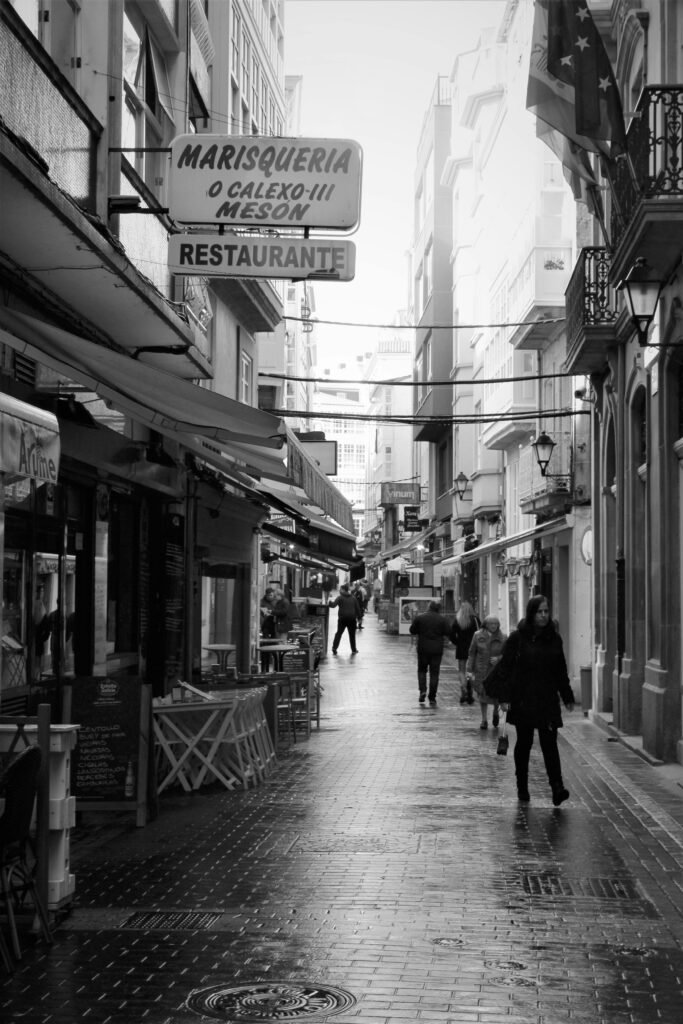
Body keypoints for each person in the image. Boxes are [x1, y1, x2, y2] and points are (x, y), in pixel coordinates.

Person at [497, 594, 575, 805]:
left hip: (547, 699)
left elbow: (560, 670)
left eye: (546, 611)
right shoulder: (518, 637)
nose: (543, 615)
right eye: (539, 611)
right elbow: (505, 669)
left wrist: (567, 696)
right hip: (523, 698)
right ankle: (522, 785)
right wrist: (504, 697)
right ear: (531, 613)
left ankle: (557, 788)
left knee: (550, 744)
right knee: (524, 743)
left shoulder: (554, 638)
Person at [466, 615, 507, 730]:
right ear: (486, 624)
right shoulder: (477, 635)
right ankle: (484, 720)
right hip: (481, 670)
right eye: (491, 624)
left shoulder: (503, 637)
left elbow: (507, 654)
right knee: (482, 695)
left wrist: (499, 658)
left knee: (495, 696)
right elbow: (472, 653)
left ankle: (495, 712)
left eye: (496, 624)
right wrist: (469, 670)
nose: (494, 626)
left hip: (496, 672)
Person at [409, 599, 450, 705]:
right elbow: (448, 632)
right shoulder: (442, 619)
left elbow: (412, 630)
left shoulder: (420, 618)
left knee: (422, 670)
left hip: (423, 648)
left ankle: (422, 690)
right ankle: (432, 696)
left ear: (429, 607)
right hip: (437, 650)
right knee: (434, 673)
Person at [450, 601, 480, 704]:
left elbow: (451, 634)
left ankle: (463, 688)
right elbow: (480, 633)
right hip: (473, 648)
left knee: (461, 670)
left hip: (461, 648)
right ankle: (470, 690)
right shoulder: (475, 619)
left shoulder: (458, 620)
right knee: (471, 671)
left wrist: (457, 642)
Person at [328, 584, 362, 655]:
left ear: (343, 590)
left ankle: (334, 648)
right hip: (352, 619)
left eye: (340, 589)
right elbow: (357, 608)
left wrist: (329, 602)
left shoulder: (340, 597)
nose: (340, 590)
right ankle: (354, 649)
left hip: (342, 618)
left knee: (339, 633)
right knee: (352, 635)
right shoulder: (353, 598)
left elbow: (333, 605)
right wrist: (359, 617)